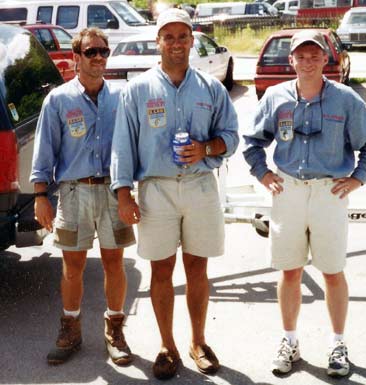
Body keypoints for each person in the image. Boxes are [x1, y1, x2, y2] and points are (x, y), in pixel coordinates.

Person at [243, 29, 366, 377]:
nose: (307, 62)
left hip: (328, 193)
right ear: (290, 60)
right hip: (288, 191)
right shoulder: (276, 98)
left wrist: (357, 178)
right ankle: (289, 340)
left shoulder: (346, 99)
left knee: (332, 272)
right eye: (300, 56)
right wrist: (263, 175)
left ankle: (338, 344)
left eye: (314, 56)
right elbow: (251, 141)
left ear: (326, 59)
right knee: (289, 270)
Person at [110, 8, 239, 380]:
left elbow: (231, 135)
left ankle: (198, 342)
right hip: (157, 190)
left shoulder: (211, 88)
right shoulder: (137, 90)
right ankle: (167, 345)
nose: (177, 43)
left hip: (200, 186)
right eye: (169, 36)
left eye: (183, 36)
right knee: (161, 270)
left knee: (198, 268)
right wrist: (123, 194)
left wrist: (207, 148)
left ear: (192, 41)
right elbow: (122, 147)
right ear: (158, 42)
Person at [30, 27, 136, 366]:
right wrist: (40, 195)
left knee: (114, 262)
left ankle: (115, 330)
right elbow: (44, 152)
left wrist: (132, 191)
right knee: (72, 265)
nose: (99, 58)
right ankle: (71, 329)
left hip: (112, 191)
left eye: (104, 51)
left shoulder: (121, 98)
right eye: (92, 52)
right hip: (74, 193)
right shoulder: (59, 100)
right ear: (76, 58)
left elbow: (133, 146)